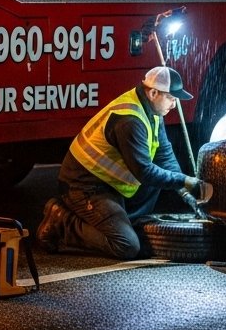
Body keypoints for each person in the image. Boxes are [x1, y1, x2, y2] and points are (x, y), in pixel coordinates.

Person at [36, 65, 213, 259]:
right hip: (83, 186)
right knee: (126, 245)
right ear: (153, 93)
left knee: (163, 180)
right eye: (171, 98)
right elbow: (144, 172)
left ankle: (123, 221)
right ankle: (62, 221)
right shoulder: (129, 120)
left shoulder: (152, 110)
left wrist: (183, 190)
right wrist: (185, 180)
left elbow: (164, 155)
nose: (174, 104)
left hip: (108, 184)